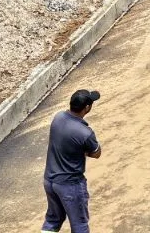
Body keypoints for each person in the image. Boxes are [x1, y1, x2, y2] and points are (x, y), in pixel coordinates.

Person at [42, 89, 102, 233]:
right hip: (69, 185)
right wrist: (82, 150)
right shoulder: (85, 133)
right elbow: (96, 153)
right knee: (79, 225)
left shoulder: (58, 117)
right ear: (87, 108)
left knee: (52, 221)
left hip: (49, 181)